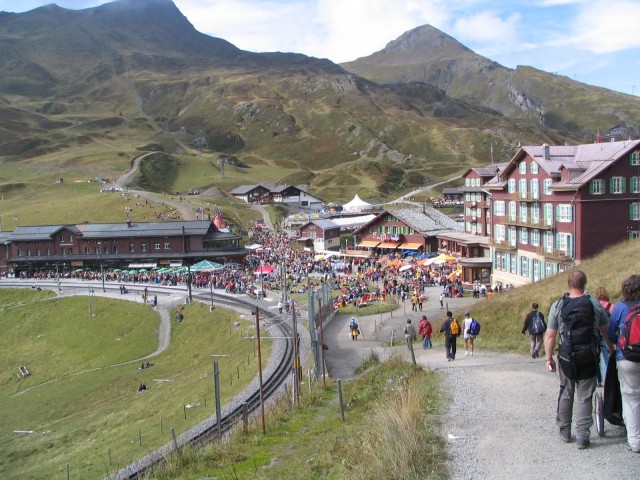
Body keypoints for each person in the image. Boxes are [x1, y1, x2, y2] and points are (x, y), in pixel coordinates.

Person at [545, 270, 613, 449]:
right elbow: (606, 331)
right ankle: (583, 436)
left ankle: (565, 431)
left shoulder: (558, 305)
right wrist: (611, 351)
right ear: (584, 283)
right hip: (588, 356)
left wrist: (548, 358)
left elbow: (551, 335)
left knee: (566, 392)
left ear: (569, 284)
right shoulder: (594, 304)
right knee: (585, 395)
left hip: (567, 357)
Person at [607, 274, 640, 453]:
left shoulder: (620, 307)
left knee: (631, 398)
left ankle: (635, 441)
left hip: (627, 357)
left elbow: (612, 334)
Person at [595, 286, 613, 385]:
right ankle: (608, 378)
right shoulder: (611, 306)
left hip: (597, 334)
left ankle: (598, 379)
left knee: (597, 358)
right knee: (607, 356)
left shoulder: (595, 305)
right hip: (607, 334)